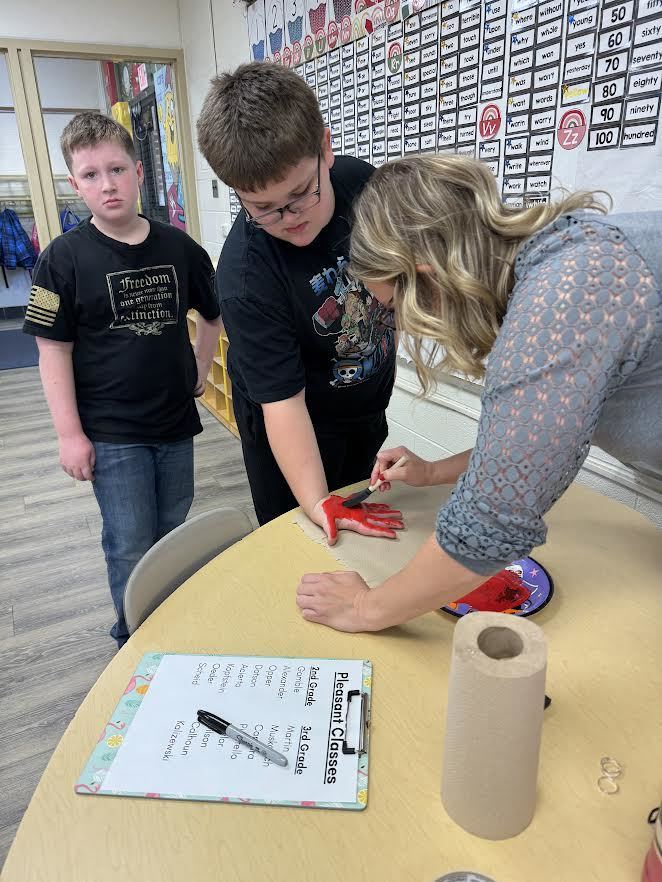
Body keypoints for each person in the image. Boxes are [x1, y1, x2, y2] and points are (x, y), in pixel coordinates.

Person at [296, 154, 662, 632]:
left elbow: (489, 526)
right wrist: (432, 472)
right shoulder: (570, 258)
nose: (400, 325)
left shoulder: (563, 297)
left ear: (427, 277)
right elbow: (531, 447)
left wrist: (367, 608)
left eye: (393, 307)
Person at [23, 112, 222, 647]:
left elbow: (212, 315)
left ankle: (172, 626)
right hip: (112, 433)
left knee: (171, 532)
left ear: (138, 172)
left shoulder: (180, 249)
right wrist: (70, 434)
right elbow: (51, 349)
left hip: (175, 424)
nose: (106, 184)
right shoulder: (59, 260)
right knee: (130, 542)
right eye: (90, 175)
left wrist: (200, 372)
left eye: (116, 169)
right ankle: (134, 637)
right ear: (75, 184)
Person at [196, 63, 402, 544]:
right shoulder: (246, 277)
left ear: (325, 149)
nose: (288, 218)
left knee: (365, 527)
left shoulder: (363, 186)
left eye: (298, 195)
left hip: (363, 404)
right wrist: (316, 502)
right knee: (307, 537)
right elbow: (283, 408)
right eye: (262, 207)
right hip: (292, 427)